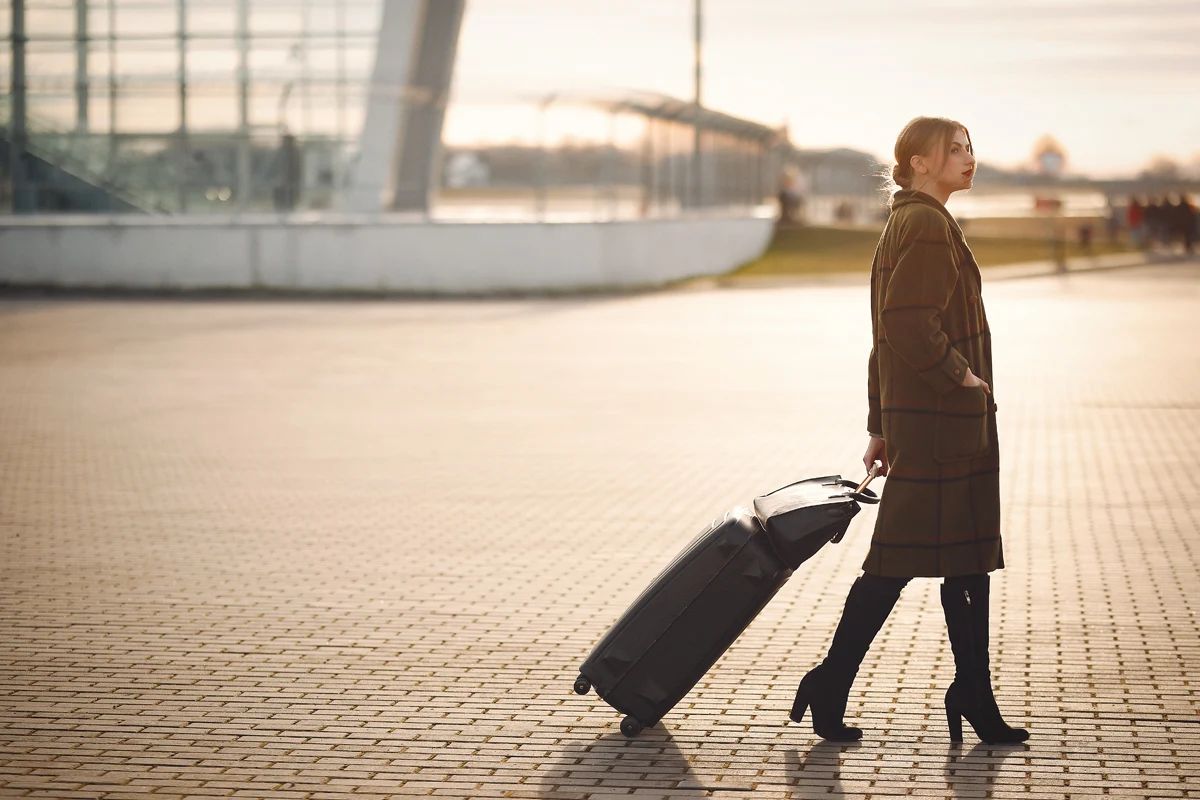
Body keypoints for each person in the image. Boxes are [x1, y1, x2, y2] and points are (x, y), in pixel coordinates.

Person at [789, 116, 1029, 745]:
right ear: (918, 162)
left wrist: (880, 422)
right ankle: (834, 680)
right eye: (954, 149)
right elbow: (904, 324)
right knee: (903, 562)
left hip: (923, 421)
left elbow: (882, 338)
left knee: (960, 561)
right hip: (942, 423)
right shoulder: (924, 222)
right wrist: (964, 380)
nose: (968, 157)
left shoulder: (907, 219)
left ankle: (967, 690)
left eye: (971, 147)